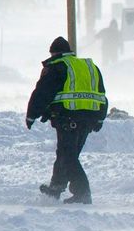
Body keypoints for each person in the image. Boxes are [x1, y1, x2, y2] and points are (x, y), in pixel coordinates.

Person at [26, 36, 108, 204]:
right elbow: (101, 95)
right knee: (66, 154)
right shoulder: (89, 67)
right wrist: (99, 119)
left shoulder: (58, 67)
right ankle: (56, 187)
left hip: (69, 118)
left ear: (54, 53)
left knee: (67, 157)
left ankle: (82, 192)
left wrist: (31, 114)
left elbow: (42, 93)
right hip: (88, 120)